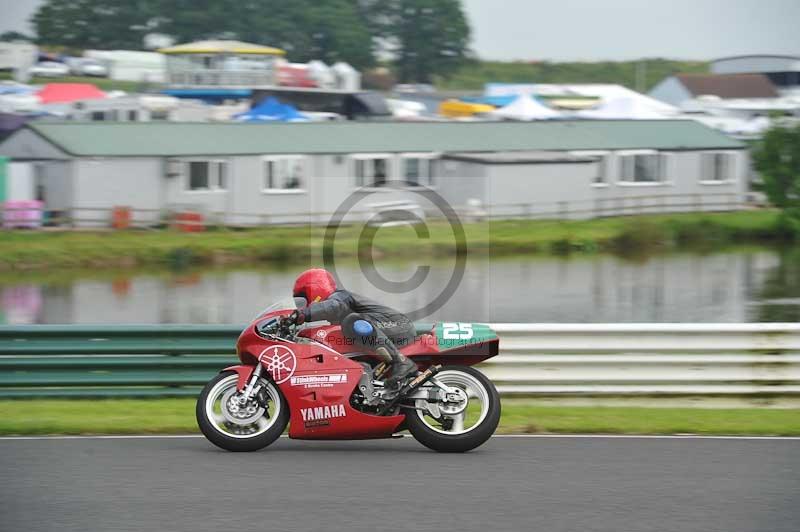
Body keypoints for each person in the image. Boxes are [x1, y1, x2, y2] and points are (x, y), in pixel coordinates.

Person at [285, 268, 418, 390]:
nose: (302, 306)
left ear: (314, 290)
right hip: (387, 329)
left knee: (352, 322)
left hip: (397, 325)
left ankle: (402, 362)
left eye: (303, 300)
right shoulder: (336, 314)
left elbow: (333, 306)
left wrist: (303, 314)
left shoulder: (340, 297)